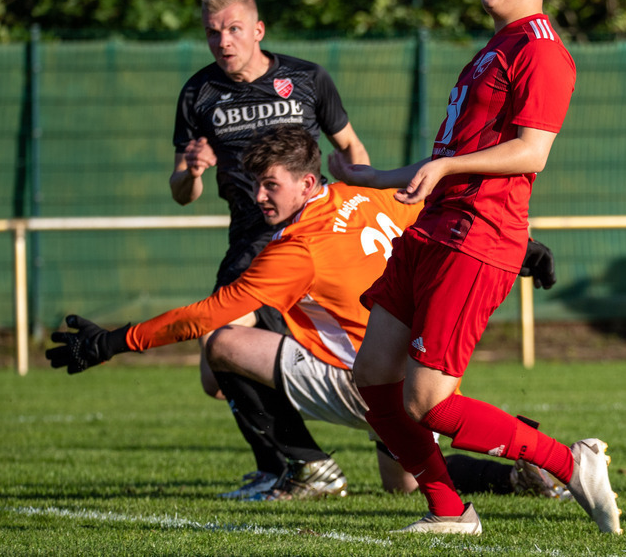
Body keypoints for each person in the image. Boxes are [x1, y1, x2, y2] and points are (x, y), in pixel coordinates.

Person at [46, 125, 565, 501]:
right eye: (256, 185)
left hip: (364, 379)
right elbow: (443, 226)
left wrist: (111, 342)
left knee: (221, 344)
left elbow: (209, 314)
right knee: (405, 483)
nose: (259, 196)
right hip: (411, 370)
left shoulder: (299, 247)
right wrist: (524, 250)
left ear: (308, 184)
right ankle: (517, 474)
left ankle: (307, 468)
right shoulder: (369, 197)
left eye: (271, 184)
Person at [327, 0, 623, 535]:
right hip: (432, 229)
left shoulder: (542, 51)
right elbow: (445, 162)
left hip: (478, 238)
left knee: (428, 402)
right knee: (373, 379)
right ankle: (449, 511)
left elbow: (532, 150)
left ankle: (568, 463)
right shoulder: (496, 47)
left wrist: (446, 167)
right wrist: (371, 178)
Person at [169, 0, 371, 498]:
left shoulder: (305, 79)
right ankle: (284, 463)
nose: (223, 41)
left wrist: (363, 202)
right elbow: (181, 192)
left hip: (316, 239)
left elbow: (349, 149)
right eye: (213, 32)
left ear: (259, 30)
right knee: (216, 379)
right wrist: (192, 170)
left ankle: (298, 466)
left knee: (222, 346)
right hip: (251, 246)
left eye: (234, 28)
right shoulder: (199, 94)